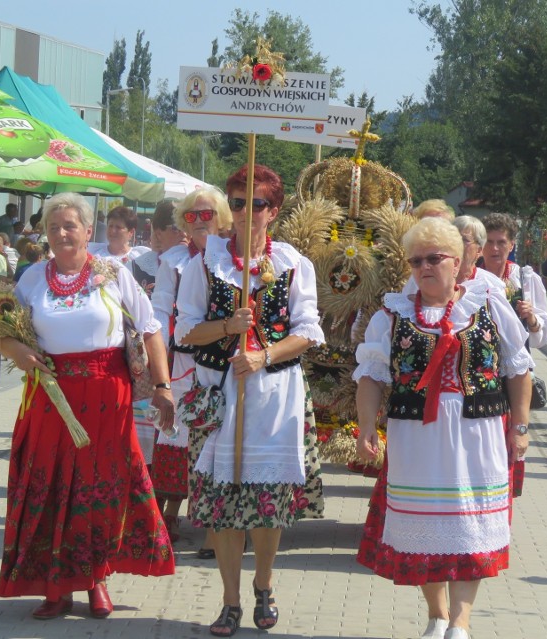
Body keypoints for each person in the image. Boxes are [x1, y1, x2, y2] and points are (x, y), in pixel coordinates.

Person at [0, 192, 175, 619]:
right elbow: (1, 330)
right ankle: (57, 586)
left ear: (88, 231)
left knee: (100, 489)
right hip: (49, 396)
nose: (60, 233)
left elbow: (150, 330)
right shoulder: (33, 278)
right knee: (54, 486)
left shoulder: (113, 274)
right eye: (53, 227)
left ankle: (96, 579)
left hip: (106, 397)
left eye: (69, 225)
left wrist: (164, 386)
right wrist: (15, 351)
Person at [354, 217, 533, 639]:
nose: (424, 268)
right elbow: (371, 376)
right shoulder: (392, 313)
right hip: (416, 436)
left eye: (434, 259)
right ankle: (437, 615)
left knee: (469, 529)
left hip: (478, 432)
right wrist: (366, 428)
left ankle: (460, 622)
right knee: (426, 530)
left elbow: (518, 368)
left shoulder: (488, 303)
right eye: (417, 261)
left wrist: (520, 426)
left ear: (457, 261)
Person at [175, 164, 324, 637]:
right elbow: (185, 330)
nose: (243, 213)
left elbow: (308, 331)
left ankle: (263, 583)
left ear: (273, 211)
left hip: (275, 395)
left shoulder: (294, 263)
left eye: (255, 204)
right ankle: (230, 599)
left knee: (267, 502)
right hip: (219, 393)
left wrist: (264, 355)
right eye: (237, 203)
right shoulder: (205, 262)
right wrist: (226, 327)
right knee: (222, 507)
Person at [150, 187, 231, 556]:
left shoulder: (235, 257)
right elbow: (159, 314)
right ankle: (168, 514)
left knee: (221, 438)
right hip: (184, 361)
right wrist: (158, 369)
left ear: (223, 217)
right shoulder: (175, 260)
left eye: (207, 214)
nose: (199, 222)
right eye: (191, 216)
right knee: (175, 433)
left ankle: (217, 524)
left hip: (227, 363)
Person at [479, 212, 547, 348]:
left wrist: (531, 318)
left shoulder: (524, 278)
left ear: (511, 245)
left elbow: (539, 339)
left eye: (501, 242)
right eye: (489, 242)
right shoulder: (471, 279)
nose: (494, 248)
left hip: (515, 363)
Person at [89, 205, 151, 271]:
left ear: (131, 232)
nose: (113, 231)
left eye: (118, 227)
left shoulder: (140, 256)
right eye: (110, 226)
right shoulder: (93, 252)